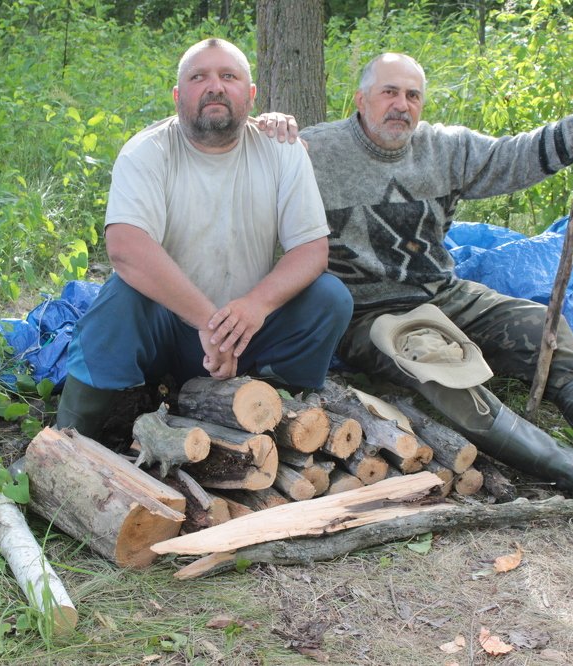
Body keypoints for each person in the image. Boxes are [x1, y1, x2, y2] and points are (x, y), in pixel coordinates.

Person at [260, 53, 573, 515]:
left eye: (413, 95)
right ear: (361, 99)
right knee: (443, 369)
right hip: (366, 313)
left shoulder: (446, 148)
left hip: (443, 292)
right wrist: (265, 128)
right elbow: (246, 162)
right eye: (389, 92)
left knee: (540, 324)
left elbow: (513, 157)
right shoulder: (315, 151)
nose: (401, 105)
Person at [56, 39, 353, 445]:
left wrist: (255, 307)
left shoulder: (281, 150)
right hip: (170, 330)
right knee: (119, 299)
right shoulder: (147, 151)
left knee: (330, 298)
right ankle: (68, 438)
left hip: (249, 332)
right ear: (178, 96)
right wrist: (207, 323)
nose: (215, 86)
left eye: (229, 76)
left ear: (250, 95)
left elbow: (311, 251)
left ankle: (274, 413)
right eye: (199, 77)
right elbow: (125, 248)